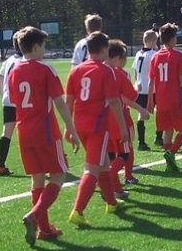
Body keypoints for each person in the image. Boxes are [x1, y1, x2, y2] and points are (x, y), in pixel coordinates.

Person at [8, 27, 80, 245]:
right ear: (36, 47)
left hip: (24, 132)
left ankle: (45, 229)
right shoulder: (45, 70)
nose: (45, 50)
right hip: (46, 131)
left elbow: (13, 103)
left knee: (37, 178)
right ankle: (34, 215)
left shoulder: (13, 72)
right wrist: (72, 129)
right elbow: (59, 102)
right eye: (44, 46)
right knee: (58, 175)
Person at [66, 32, 129, 227]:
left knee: (102, 165)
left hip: (79, 125)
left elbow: (69, 101)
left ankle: (111, 202)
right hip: (97, 127)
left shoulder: (76, 70)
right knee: (91, 169)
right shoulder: (105, 71)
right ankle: (77, 211)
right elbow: (114, 102)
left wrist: (69, 129)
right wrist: (123, 128)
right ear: (103, 50)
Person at [148, 23, 182, 173]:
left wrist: (150, 101)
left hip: (160, 101)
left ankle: (170, 165)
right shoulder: (178, 55)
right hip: (176, 99)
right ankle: (171, 153)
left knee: (168, 130)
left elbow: (151, 81)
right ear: (173, 39)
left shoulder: (155, 57)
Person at [106, 39, 149, 187]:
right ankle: (124, 175)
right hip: (121, 118)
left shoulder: (99, 72)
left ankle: (114, 183)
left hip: (103, 120)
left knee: (111, 153)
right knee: (126, 150)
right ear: (118, 59)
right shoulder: (121, 74)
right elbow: (128, 97)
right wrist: (138, 88)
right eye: (124, 58)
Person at [0, 35, 22, 176]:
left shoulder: (9, 60)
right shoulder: (25, 61)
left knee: (7, 132)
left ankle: (0, 165)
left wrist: (3, 95)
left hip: (8, 101)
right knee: (32, 130)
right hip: (23, 102)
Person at [132, 29, 162, 150]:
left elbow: (135, 72)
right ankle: (159, 138)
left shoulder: (138, 54)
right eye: (155, 41)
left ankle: (141, 142)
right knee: (160, 111)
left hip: (140, 88)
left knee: (141, 114)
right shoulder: (153, 54)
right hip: (152, 88)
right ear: (152, 41)